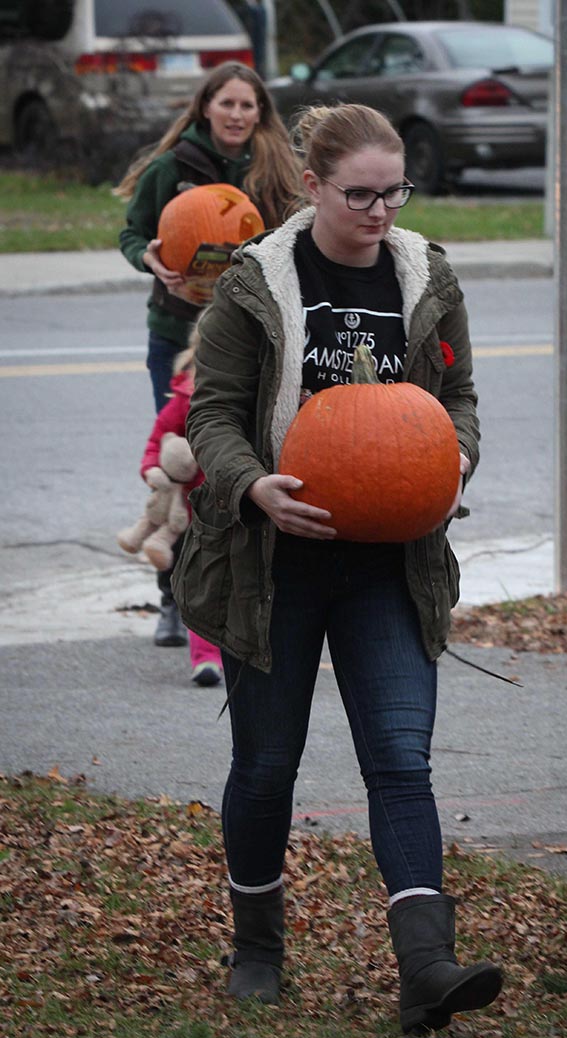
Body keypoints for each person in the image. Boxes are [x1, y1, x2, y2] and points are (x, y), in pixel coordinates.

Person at [173, 103, 503, 1033]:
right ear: (312, 186)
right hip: (273, 561)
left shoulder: (426, 276)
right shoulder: (255, 284)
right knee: (266, 764)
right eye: (358, 194)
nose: (379, 212)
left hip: (391, 561)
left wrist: (454, 457)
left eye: (393, 192)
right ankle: (258, 948)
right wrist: (253, 487)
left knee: (400, 760)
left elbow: (460, 396)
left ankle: (426, 968)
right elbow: (213, 416)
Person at [115, 60, 301, 647]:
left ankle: (242, 596)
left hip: (250, 339)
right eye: (228, 104)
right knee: (182, 465)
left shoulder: (276, 169)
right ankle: (175, 598)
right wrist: (150, 260)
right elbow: (131, 232)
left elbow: (297, 238)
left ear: (260, 113)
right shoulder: (172, 168)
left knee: (242, 467)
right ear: (205, 108)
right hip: (178, 339)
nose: (239, 115)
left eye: (249, 106)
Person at [138, 340, 223, 688]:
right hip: (191, 509)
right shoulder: (182, 403)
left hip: (234, 504)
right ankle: (206, 658)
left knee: (228, 584)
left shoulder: (251, 393)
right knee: (203, 582)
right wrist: (152, 472)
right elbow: (156, 442)